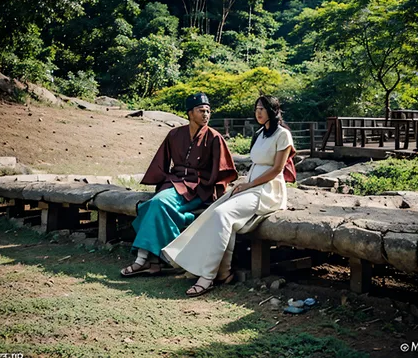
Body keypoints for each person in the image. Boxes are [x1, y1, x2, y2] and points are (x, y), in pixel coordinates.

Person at [162, 95, 296, 296]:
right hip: (251, 185)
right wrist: (244, 184)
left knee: (222, 214)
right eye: (256, 108)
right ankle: (221, 272)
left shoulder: (283, 134)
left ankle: (207, 276)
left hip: (269, 190)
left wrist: (249, 185)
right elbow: (256, 164)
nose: (258, 112)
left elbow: (277, 169)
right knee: (214, 212)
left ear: (273, 111)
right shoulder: (259, 133)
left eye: (263, 108)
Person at [121, 93, 238, 277]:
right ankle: (156, 260)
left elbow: (223, 170)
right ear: (190, 113)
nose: (206, 114)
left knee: (156, 204)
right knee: (154, 205)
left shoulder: (215, 137)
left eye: (208, 111)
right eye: (201, 111)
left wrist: (213, 191)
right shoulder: (174, 134)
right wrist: (162, 182)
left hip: (198, 189)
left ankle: (144, 260)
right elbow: (161, 162)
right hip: (175, 184)